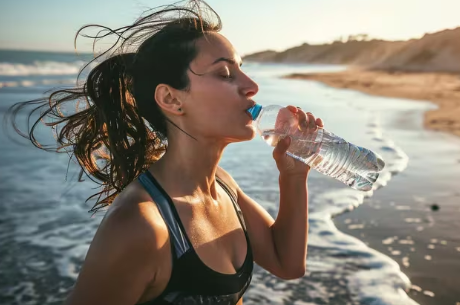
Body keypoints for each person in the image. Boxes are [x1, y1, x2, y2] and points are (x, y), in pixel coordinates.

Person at [6, 1, 324, 305]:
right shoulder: (141, 226)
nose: (251, 85)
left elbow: (288, 264)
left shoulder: (224, 187)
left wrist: (293, 175)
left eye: (242, 70)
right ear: (171, 99)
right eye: (225, 74)